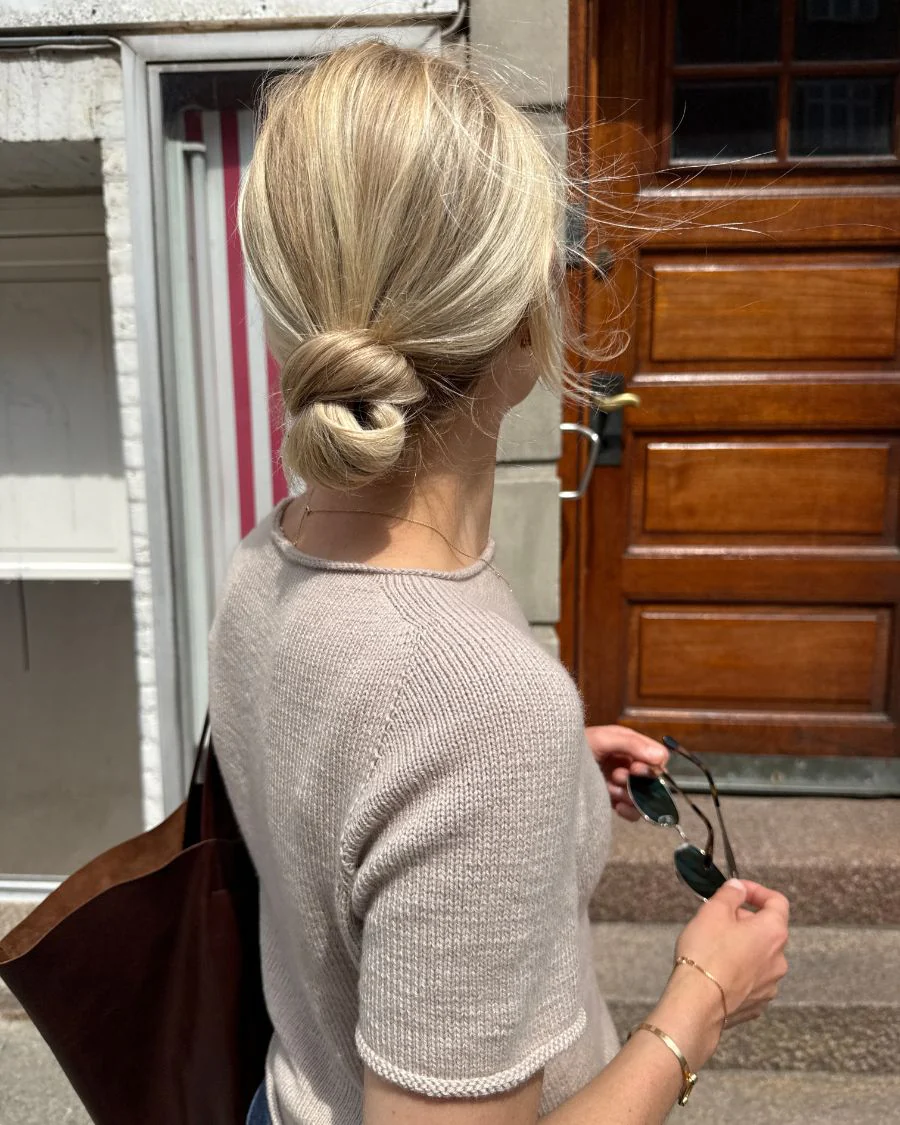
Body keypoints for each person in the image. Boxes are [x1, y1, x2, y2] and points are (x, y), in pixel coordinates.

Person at [209, 40, 789, 1125]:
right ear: (528, 322)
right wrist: (703, 1002)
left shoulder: (270, 553)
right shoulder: (475, 706)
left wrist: (541, 775)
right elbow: (426, 730)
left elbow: (340, 788)